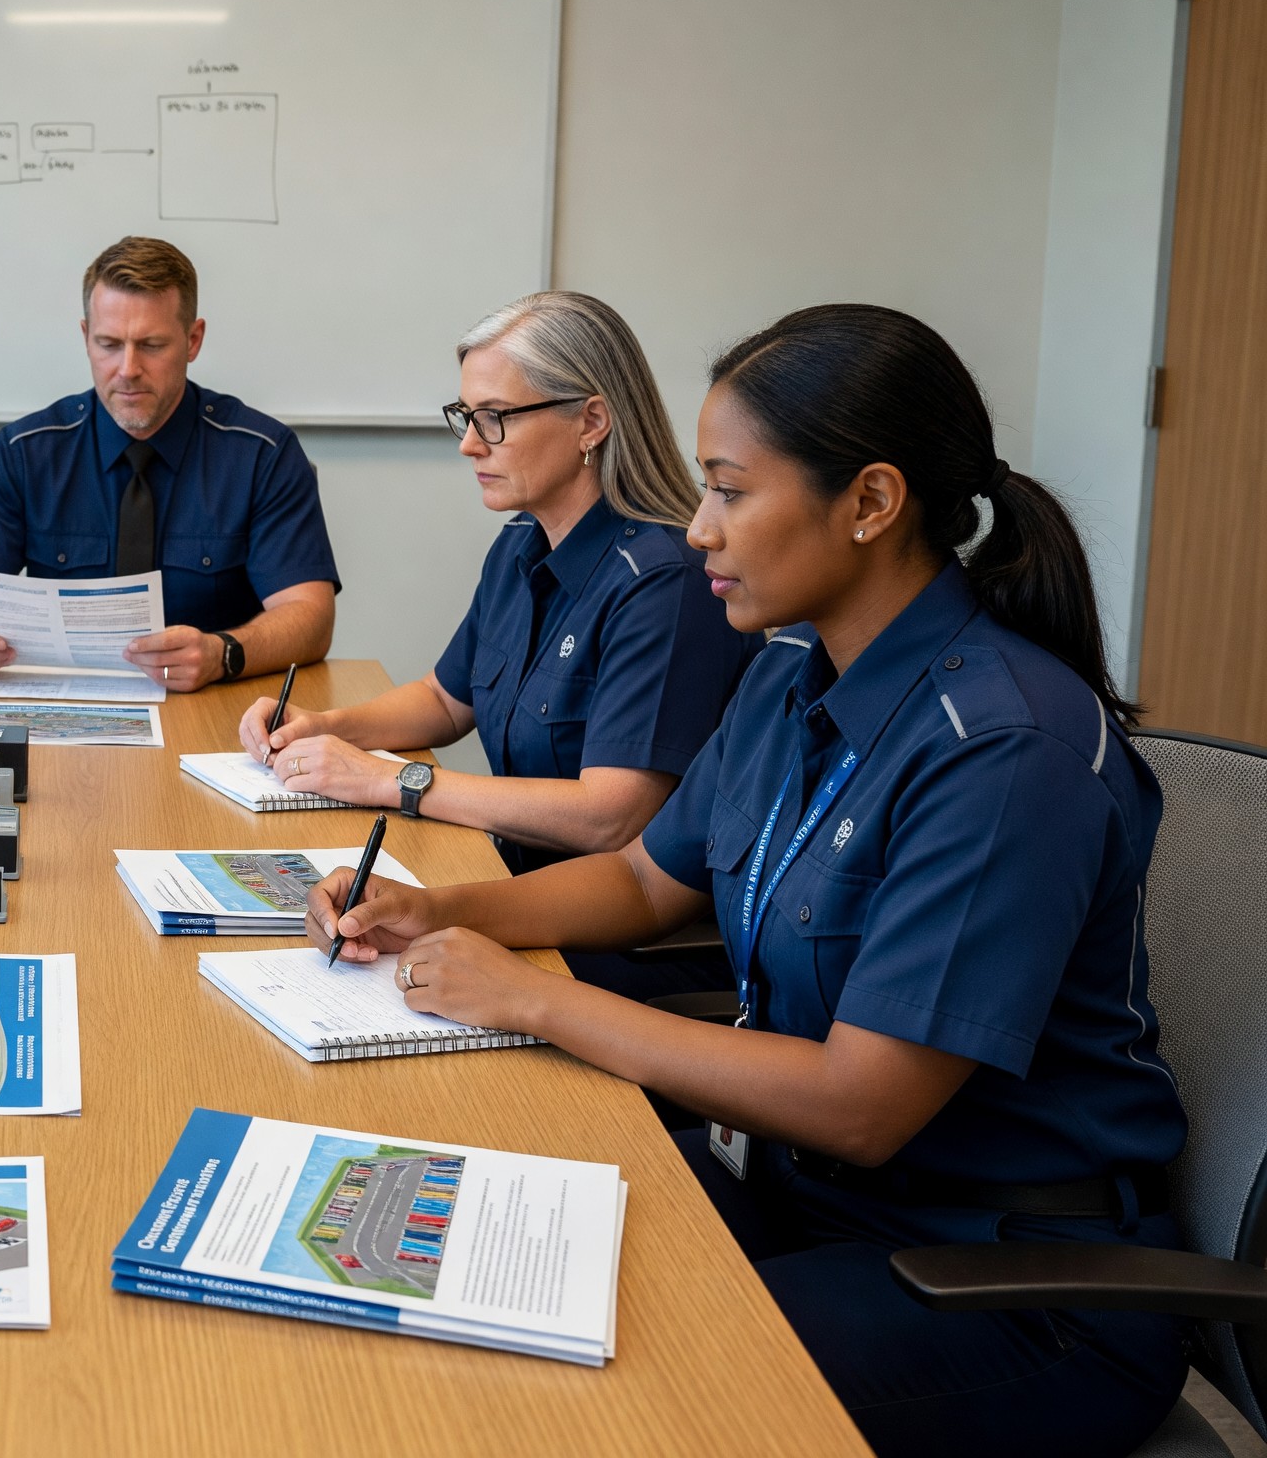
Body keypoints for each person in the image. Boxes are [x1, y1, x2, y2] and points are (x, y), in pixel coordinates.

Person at [309, 305, 1188, 1458]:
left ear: (870, 503)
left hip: (1012, 1284)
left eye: (728, 490)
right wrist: (440, 907)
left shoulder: (1002, 748)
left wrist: (534, 997)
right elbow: (638, 880)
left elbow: (860, 1105)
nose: (696, 529)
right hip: (807, 1205)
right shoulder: (790, 671)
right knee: (441, 1253)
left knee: (558, 1401)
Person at [241, 292, 758, 992]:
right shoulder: (523, 540)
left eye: (495, 419)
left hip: (615, 944)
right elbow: (445, 698)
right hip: (509, 887)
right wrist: (325, 725)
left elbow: (612, 817)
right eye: (466, 417)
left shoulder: (666, 583)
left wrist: (394, 780)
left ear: (591, 422)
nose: (469, 444)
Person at [0, 236, 338, 692]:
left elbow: (310, 615)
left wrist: (223, 653)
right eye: (109, 344)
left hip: (215, 710)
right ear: (85, 338)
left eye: (152, 345)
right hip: (64, 707)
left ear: (193, 340)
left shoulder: (262, 455)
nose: (127, 369)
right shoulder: (26, 452)